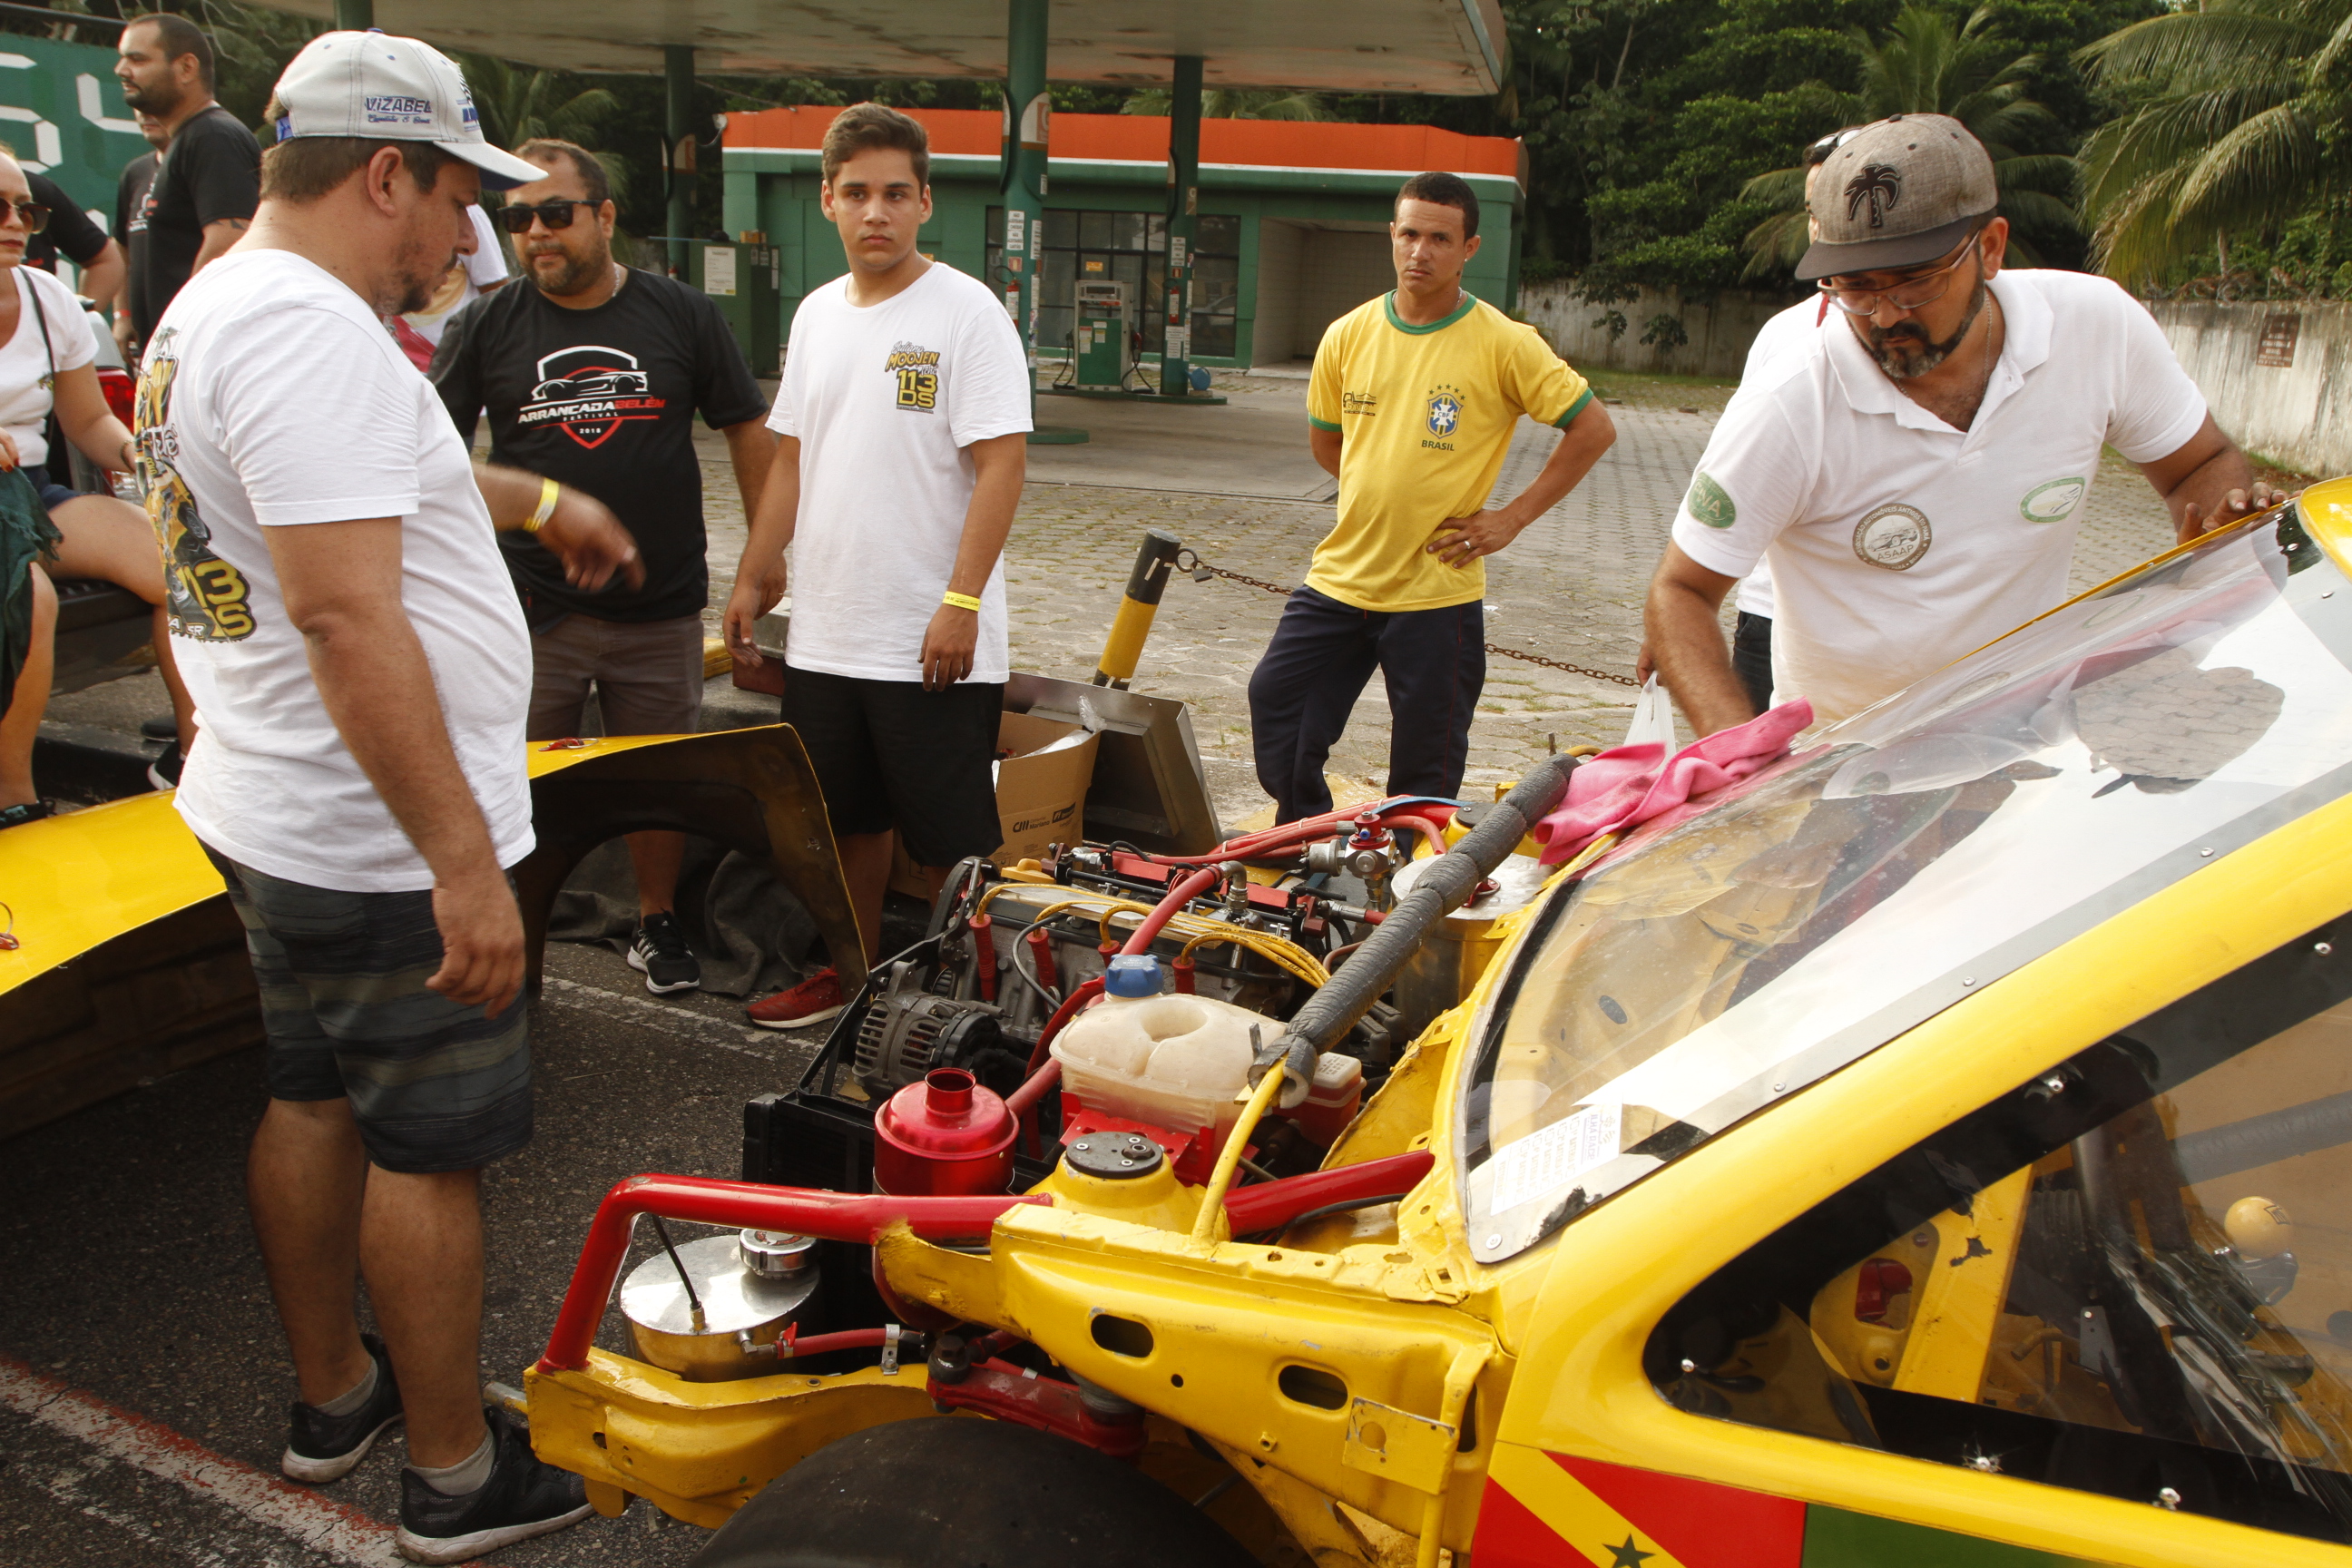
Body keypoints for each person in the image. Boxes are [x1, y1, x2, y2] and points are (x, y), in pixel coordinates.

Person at [136, 30, 638, 1560]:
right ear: (383, 174)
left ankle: (335, 1394)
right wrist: (463, 865)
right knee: (429, 1149)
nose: (470, 235)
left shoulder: (218, 305)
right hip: (371, 839)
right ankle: (452, 1475)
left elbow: (358, 486)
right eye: (457, 198)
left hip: (273, 801)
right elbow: (347, 615)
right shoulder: (310, 333)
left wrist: (535, 496)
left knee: (310, 1096)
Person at [1646, 113, 2280, 737]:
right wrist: (1734, 752)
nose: (1886, 315)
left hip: (2024, 741)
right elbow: (1681, 592)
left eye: (1916, 283)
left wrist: (2218, 531)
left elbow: (2198, 465)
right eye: (1855, 288)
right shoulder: (1792, 399)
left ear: (1991, 247)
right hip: (1843, 762)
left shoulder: (2097, 328)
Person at [431, 137, 773, 996]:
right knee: (517, 780)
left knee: (658, 779)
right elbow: (427, 458)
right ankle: (517, 926)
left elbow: (746, 427)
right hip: (529, 611)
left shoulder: (682, 314)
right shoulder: (485, 325)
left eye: (556, 213)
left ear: (606, 216)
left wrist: (761, 561)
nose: (536, 233)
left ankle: (656, 920)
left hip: (659, 604)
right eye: (518, 219)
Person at [723, 103, 1029, 1030]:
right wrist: (754, 572)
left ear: (925, 202)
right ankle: (854, 980)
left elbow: (1002, 466)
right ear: (827, 201)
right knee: (843, 824)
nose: (876, 212)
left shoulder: (967, 313)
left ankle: (968, 1007)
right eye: (856, 193)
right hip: (829, 633)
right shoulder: (817, 315)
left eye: (896, 193)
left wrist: (961, 601)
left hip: (929, 634)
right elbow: (792, 457)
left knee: (951, 845)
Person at [1247, 171, 1616, 824]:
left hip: (1438, 591)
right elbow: (1329, 445)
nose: (1421, 251)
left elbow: (1593, 428)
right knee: (1277, 701)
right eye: (1410, 234)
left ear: (1469, 248)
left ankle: (1410, 868)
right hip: (1342, 578)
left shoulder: (1505, 343)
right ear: (1392, 235)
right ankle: (1305, 836)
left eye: (1440, 239)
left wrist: (1511, 519)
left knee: (1427, 764)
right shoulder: (1347, 334)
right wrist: (1382, 491)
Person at [0, 150, 191, 827]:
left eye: (26, 210)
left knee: (184, 561)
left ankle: (196, 763)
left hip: (29, 493)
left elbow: (86, 422)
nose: (16, 223)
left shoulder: (48, 297)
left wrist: (146, 457)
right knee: (29, 597)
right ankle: (15, 799)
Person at [113, 12, 259, 360]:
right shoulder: (187, 140)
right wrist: (125, 316)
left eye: (137, 59)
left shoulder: (213, 135)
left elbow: (229, 242)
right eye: (122, 58)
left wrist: (179, 334)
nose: (121, 70)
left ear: (186, 68)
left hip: (202, 353)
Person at [21, 167, 125, 318]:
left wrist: (78, 322)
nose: (14, 222)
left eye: (23, 211)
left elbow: (106, 259)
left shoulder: (31, 187)